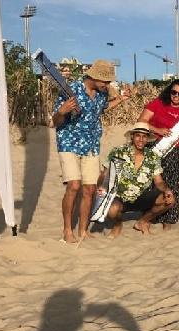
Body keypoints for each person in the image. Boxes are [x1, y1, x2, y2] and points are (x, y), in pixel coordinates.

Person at [52, 59, 129, 243]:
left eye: (109, 81)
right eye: (104, 81)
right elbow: (55, 122)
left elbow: (101, 110)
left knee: (90, 189)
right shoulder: (70, 91)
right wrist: (62, 111)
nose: (107, 85)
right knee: (74, 186)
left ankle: (83, 230)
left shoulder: (102, 94)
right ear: (93, 77)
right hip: (69, 143)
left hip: (92, 145)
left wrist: (120, 99)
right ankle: (67, 230)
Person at [99, 122, 175, 237]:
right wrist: (101, 190)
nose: (141, 139)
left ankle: (143, 221)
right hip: (120, 196)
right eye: (138, 135)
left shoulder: (152, 156)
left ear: (147, 139)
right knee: (112, 210)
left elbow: (158, 182)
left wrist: (167, 190)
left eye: (144, 136)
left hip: (141, 196)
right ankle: (117, 225)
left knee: (170, 200)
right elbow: (105, 174)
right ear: (132, 137)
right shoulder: (119, 152)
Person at [138, 79, 179, 229]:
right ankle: (150, 216)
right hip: (154, 146)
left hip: (175, 150)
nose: (176, 96)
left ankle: (168, 219)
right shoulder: (157, 103)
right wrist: (158, 130)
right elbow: (141, 121)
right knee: (151, 183)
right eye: (173, 92)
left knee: (171, 183)